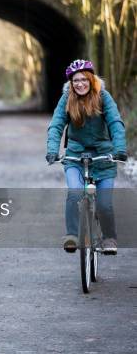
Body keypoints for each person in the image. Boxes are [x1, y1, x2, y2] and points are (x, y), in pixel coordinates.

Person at [46, 59, 127, 254]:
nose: (80, 84)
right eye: (75, 80)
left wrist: (120, 149)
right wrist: (52, 150)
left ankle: (109, 238)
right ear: (71, 83)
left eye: (83, 79)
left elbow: (115, 122)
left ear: (91, 80)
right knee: (74, 192)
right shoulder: (67, 99)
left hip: (104, 156)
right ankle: (72, 235)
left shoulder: (103, 96)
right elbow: (56, 125)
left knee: (104, 205)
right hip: (75, 155)